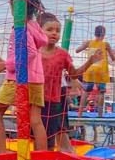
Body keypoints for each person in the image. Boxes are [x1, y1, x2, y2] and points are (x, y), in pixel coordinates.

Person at [0, 0, 49, 153]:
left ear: (15, 6)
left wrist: (7, 65)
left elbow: (29, 53)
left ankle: (2, 152)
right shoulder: (34, 26)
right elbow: (30, 52)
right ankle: (42, 157)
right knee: (35, 120)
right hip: (37, 80)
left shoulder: (21, 27)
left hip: (19, 79)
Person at [39, 13, 102, 152]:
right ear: (39, 31)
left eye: (57, 31)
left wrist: (90, 61)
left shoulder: (62, 54)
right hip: (36, 101)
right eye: (49, 30)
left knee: (51, 137)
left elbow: (74, 74)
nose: (54, 33)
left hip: (53, 101)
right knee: (38, 137)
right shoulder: (34, 51)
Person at [75, 25, 115, 116]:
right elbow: (113, 58)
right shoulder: (106, 44)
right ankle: (100, 114)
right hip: (101, 70)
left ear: (94, 33)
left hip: (90, 68)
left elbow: (77, 50)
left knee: (86, 91)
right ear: (104, 34)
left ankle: (80, 113)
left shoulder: (89, 42)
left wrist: (84, 46)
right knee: (101, 92)